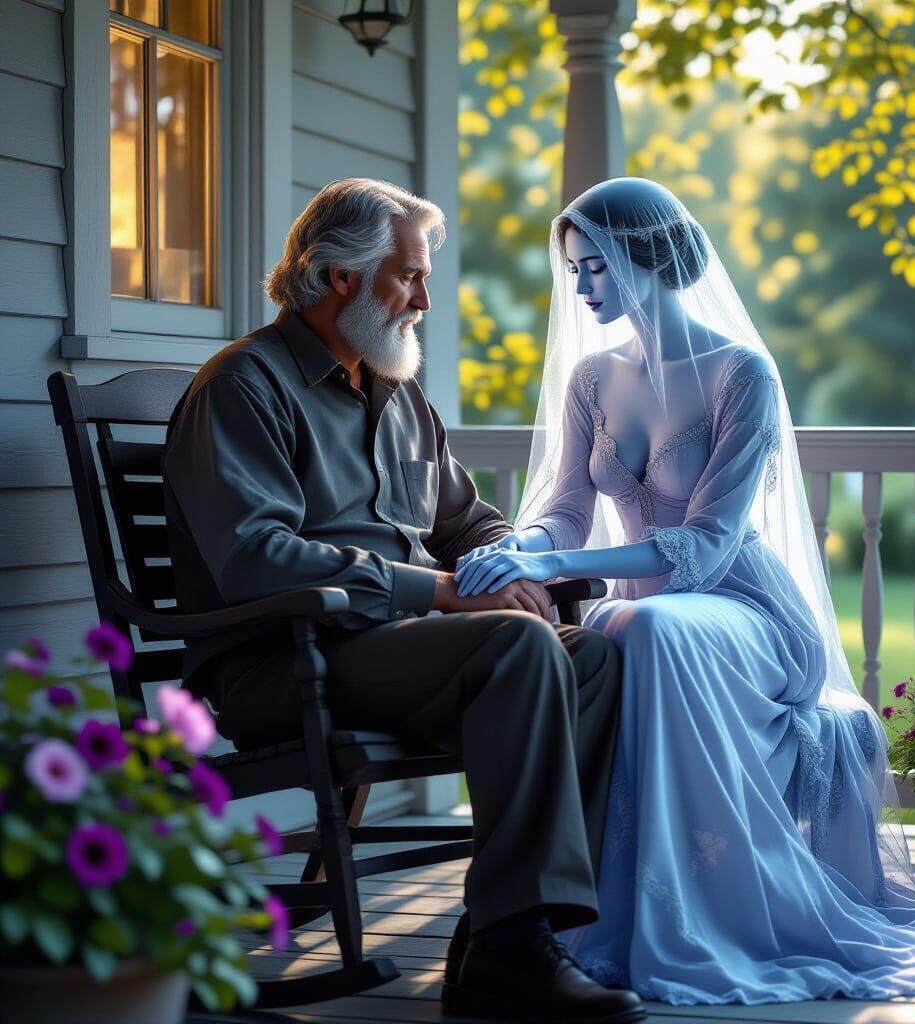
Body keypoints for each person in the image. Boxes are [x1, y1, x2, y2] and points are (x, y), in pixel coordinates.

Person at [455, 176, 915, 1004]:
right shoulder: (591, 378)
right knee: (632, 620)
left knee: (635, 623)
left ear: (646, 257)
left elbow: (711, 544)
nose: (578, 288)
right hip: (656, 611)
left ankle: (708, 917)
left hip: (748, 609)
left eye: (595, 267)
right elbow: (568, 510)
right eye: (573, 269)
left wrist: (551, 571)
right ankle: (614, 908)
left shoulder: (740, 373)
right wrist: (522, 550)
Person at [162, 177, 646, 1023]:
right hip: (282, 660)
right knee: (518, 646)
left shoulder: (400, 397)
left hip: (394, 653)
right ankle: (510, 947)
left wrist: (515, 564)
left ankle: (511, 933)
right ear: (339, 277)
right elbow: (256, 558)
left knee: (594, 656)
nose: (425, 299)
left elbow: (469, 521)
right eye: (408, 277)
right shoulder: (244, 385)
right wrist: (444, 592)